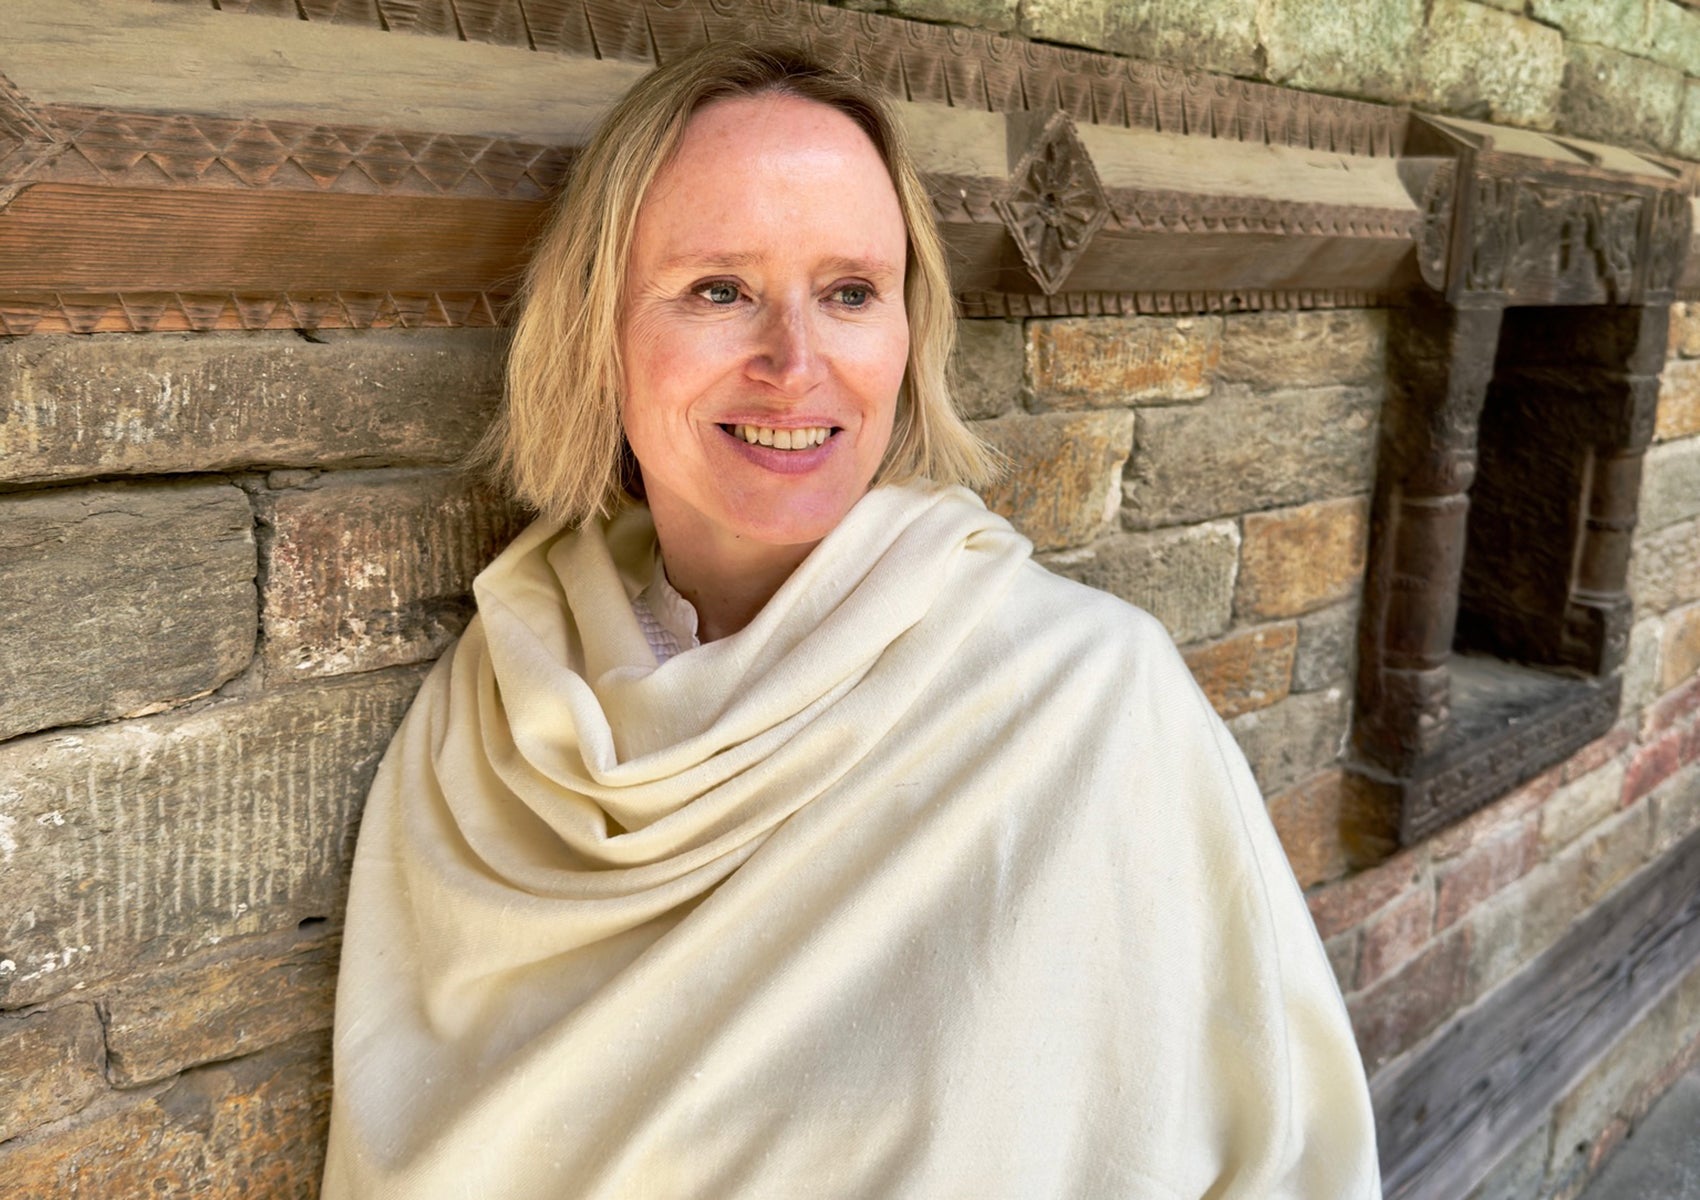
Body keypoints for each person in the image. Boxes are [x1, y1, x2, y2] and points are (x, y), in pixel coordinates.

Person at [322, 43, 1381, 1200]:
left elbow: (1274, 1156)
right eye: (718, 289)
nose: (795, 363)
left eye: (848, 293)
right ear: (599, 331)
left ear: (906, 334)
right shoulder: (497, 711)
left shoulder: (1085, 700)